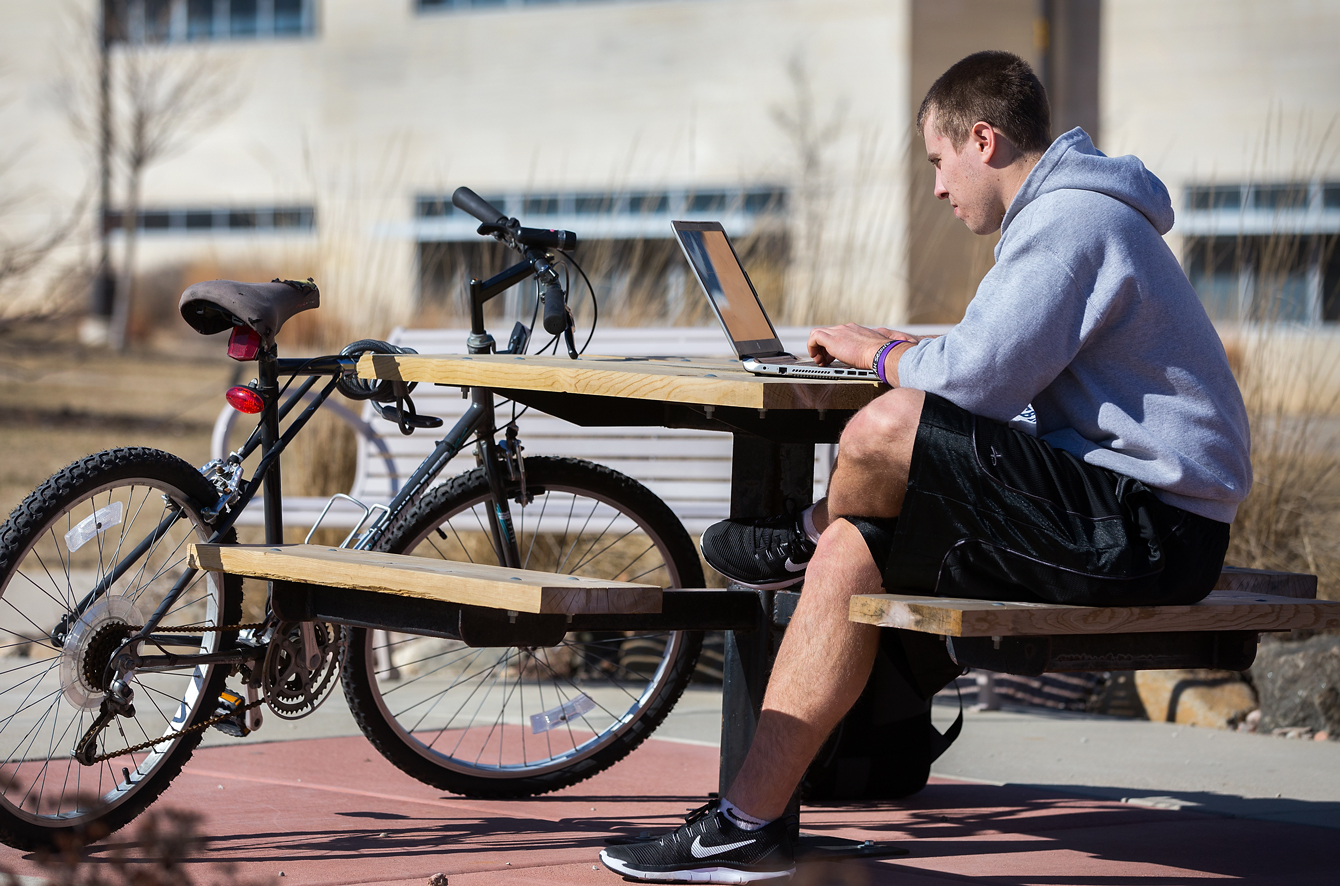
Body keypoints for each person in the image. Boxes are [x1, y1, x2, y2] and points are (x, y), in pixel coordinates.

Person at [599, 50, 1251, 883]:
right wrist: (899, 352)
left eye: (939, 162)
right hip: (1112, 509)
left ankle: (801, 536)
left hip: (1150, 528)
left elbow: (973, 381)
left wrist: (887, 359)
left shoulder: (1072, 223)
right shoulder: (1067, 219)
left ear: (983, 139)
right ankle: (744, 824)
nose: (938, 187)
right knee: (856, 553)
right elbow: (997, 373)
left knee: (881, 432)